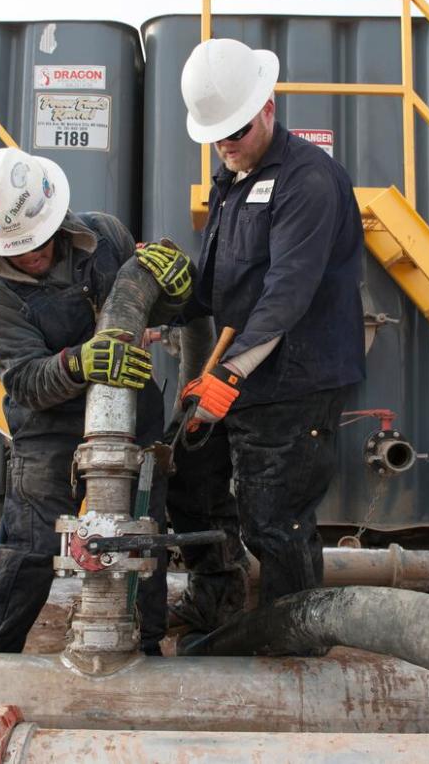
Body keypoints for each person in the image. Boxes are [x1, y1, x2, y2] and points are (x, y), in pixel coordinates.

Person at [0, 148, 191, 656]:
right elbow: (25, 381)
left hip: (130, 409)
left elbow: (143, 303)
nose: (31, 255)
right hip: (48, 424)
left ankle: (140, 645)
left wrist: (174, 293)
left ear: (55, 218)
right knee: (30, 542)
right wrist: (80, 364)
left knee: (140, 530)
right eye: (17, 248)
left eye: (36, 242)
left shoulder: (105, 236)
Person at [168, 38, 366, 632]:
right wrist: (159, 312)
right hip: (243, 373)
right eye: (217, 134)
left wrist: (229, 373)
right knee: (192, 482)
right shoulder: (230, 178)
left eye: (238, 129)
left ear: (269, 107)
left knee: (273, 517)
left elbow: (287, 290)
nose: (226, 143)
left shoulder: (308, 180)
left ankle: (294, 635)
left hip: (295, 380)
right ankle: (219, 598)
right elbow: (214, 284)